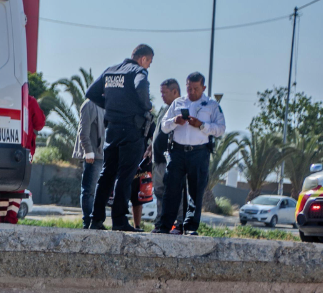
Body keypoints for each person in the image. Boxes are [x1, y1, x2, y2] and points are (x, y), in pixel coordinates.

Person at [84, 44, 154, 231]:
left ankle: (96, 219)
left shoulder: (111, 71)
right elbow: (140, 87)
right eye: (149, 63)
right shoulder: (139, 71)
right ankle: (119, 220)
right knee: (125, 175)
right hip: (132, 130)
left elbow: (90, 92)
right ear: (143, 59)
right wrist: (147, 106)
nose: (148, 67)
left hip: (112, 129)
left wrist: (108, 104)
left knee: (107, 174)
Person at [156, 71, 226, 235]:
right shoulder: (178, 103)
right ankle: (165, 226)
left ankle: (190, 227)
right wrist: (175, 121)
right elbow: (164, 126)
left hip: (199, 153)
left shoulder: (212, 105)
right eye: (189, 88)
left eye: (195, 88)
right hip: (177, 152)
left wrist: (202, 125)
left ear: (203, 87)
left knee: (195, 191)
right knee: (171, 189)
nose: (192, 92)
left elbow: (221, 129)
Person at [0, 91, 45, 224]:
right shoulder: (29, 101)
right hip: (21, 150)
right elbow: (40, 123)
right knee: (16, 186)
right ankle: (8, 220)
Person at [152, 79, 184, 232]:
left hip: (170, 160)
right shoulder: (164, 110)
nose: (162, 96)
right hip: (157, 160)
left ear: (175, 92)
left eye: (165, 93)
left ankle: (178, 224)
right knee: (159, 192)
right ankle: (160, 224)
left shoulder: (181, 109)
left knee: (174, 193)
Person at [75, 94, 105, 228]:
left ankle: (96, 222)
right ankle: (87, 222)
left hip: (103, 155)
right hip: (92, 156)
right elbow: (83, 131)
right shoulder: (89, 104)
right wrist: (88, 151)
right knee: (89, 190)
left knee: (97, 191)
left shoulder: (105, 105)